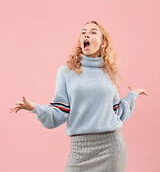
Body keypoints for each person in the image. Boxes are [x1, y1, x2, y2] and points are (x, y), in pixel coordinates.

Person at [10, 20, 149, 172]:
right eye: (83, 32)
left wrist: (132, 95)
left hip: (111, 147)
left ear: (103, 43)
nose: (86, 34)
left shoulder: (109, 74)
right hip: (79, 149)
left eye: (93, 32)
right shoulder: (66, 72)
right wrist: (34, 108)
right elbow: (59, 113)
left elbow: (116, 113)